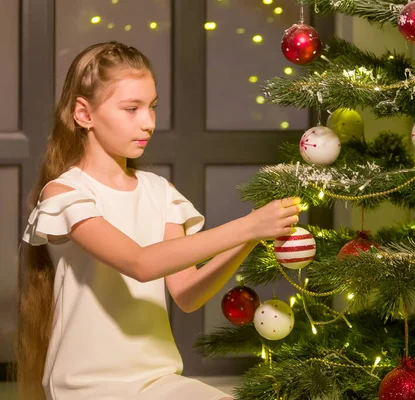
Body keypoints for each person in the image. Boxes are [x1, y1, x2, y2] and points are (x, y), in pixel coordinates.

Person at [17, 41, 302, 400]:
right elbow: (140, 263)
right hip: (87, 386)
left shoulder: (160, 192)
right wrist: (248, 226)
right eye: (131, 109)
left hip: (158, 381)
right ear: (84, 114)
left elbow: (187, 293)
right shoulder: (64, 194)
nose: (148, 123)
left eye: (151, 107)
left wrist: (251, 235)